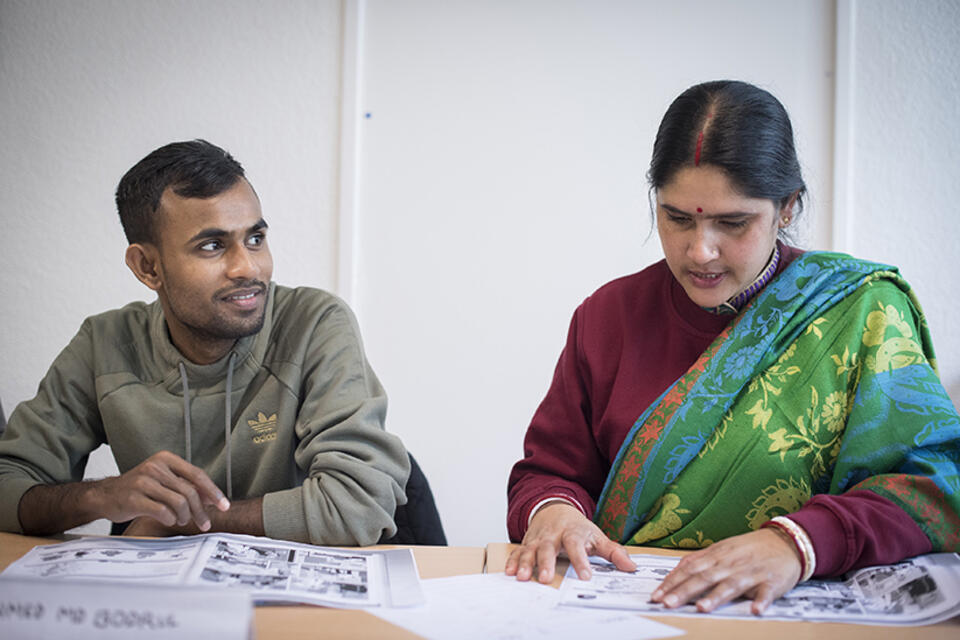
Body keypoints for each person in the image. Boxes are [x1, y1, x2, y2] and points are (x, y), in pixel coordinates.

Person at [506, 80, 960, 614]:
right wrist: (552, 511)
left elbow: (936, 486)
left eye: (732, 222)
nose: (700, 251)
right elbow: (549, 470)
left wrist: (796, 543)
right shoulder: (609, 316)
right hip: (634, 610)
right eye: (677, 218)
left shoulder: (863, 312)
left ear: (786, 207)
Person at [0, 140, 410, 545]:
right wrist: (99, 496)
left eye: (255, 239)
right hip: (165, 599)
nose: (247, 267)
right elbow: (7, 485)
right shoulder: (104, 345)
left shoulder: (314, 323)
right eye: (212, 246)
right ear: (148, 267)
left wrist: (182, 523)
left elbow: (359, 503)